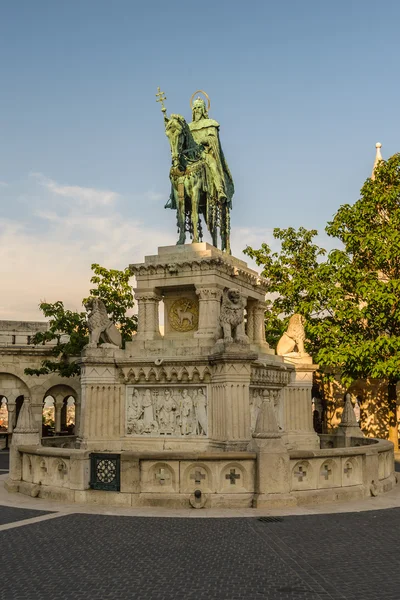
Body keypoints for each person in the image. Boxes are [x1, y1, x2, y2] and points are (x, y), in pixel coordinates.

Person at [189, 97, 234, 206]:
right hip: (191, 157)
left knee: (213, 165)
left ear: (204, 109)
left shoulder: (210, 123)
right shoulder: (188, 127)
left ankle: (220, 190)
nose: (197, 110)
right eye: (195, 108)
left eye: (199, 108)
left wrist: (201, 140)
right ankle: (175, 197)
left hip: (205, 153)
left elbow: (212, 139)